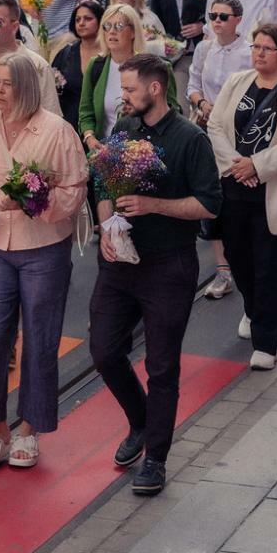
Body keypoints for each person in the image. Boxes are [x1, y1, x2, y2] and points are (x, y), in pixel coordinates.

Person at [89, 54, 222, 496]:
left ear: (156, 89)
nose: (121, 98)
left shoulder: (190, 139)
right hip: (121, 260)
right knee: (105, 351)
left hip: (169, 265)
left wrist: (154, 206)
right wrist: (108, 225)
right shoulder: (124, 130)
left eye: (128, 90)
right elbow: (104, 183)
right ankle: (141, 421)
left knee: (162, 366)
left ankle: (157, 460)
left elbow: (208, 204)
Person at [0, 52, 90, 470]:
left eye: (6, 84)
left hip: (44, 249)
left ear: (27, 89)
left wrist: (34, 203)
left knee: (40, 339)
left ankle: (30, 430)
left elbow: (74, 192)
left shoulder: (58, 132)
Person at [205, 24, 277, 369]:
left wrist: (257, 165)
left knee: (268, 266)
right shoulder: (237, 82)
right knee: (239, 260)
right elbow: (215, 126)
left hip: (273, 191)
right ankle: (253, 310)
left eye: (267, 48)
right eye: (255, 47)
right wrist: (236, 166)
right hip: (232, 188)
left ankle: (266, 342)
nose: (259, 53)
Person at [79, 3, 143, 142]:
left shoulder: (148, 67)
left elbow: (166, 113)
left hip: (141, 154)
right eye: (107, 26)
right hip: (104, 152)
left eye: (119, 26)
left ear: (133, 32)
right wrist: (89, 137)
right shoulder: (96, 65)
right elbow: (86, 112)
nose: (112, 31)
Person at [188, 0, 252, 122]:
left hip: (237, 123)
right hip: (205, 120)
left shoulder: (250, 52)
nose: (217, 20)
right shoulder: (203, 48)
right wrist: (203, 104)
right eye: (213, 16)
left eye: (223, 17)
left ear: (238, 20)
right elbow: (193, 86)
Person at [53, 1, 104, 132]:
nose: (81, 23)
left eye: (88, 19)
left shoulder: (110, 55)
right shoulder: (65, 54)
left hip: (103, 126)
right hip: (69, 126)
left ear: (101, 21)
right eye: (77, 19)